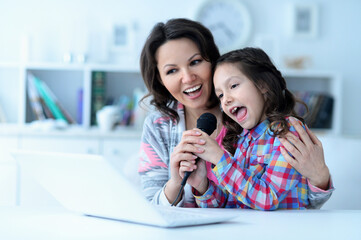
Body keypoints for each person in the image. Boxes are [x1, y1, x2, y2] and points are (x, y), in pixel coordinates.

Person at [138, 18, 333, 208]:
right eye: (171, 71)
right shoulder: (159, 126)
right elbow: (230, 202)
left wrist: (320, 177)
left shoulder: (255, 122)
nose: (188, 78)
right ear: (160, 79)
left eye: (195, 62)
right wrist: (197, 185)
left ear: (212, 62)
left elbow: (290, 200)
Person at [181, 47, 315, 209]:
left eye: (233, 85)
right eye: (220, 95)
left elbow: (267, 198)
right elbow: (232, 203)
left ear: (263, 84)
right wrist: (202, 185)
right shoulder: (242, 139)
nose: (226, 100)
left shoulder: (288, 132)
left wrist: (220, 158)